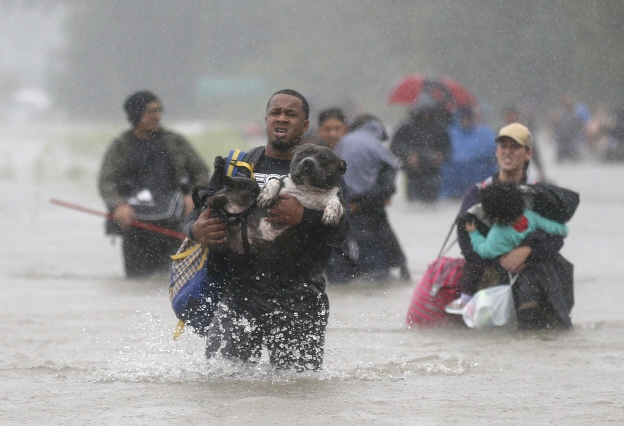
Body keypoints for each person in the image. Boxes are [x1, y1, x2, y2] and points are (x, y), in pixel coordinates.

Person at [184, 89, 349, 371]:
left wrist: (304, 216)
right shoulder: (237, 165)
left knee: (298, 389)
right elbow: (192, 218)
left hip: (300, 296)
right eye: (276, 112)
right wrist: (196, 231)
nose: (282, 119)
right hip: (238, 293)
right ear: (266, 119)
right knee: (220, 385)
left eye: (291, 114)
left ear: (306, 125)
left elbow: (343, 233)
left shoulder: (325, 170)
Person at [445, 123, 575, 329]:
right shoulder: (477, 192)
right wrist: (499, 259)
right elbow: (466, 241)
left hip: (534, 271)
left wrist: (527, 253)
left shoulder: (540, 195)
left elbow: (556, 239)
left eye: (515, 147)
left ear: (528, 153)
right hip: (489, 272)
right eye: (503, 146)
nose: (508, 152)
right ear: (496, 152)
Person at [98, 90, 209, 278]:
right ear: (136, 114)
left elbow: (201, 172)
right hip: (136, 228)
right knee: (137, 282)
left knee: (176, 278)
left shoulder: (175, 141)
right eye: (152, 111)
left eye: (159, 110)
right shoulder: (121, 146)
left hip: (174, 225)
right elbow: (107, 181)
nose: (158, 116)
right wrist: (118, 205)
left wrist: (194, 197)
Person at [326, 114, 410, 283]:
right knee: (377, 273)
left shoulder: (341, 147)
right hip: (368, 218)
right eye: (328, 129)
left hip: (341, 217)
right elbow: (388, 186)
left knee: (342, 273)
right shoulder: (379, 150)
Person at [465, 181, 568, 260]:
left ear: (491, 214)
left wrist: (473, 234)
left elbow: (485, 252)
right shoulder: (530, 217)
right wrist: (563, 229)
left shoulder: (498, 234)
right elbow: (555, 228)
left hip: (512, 277)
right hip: (536, 269)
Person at [390, 95, 451, 203]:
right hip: (413, 174)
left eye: (428, 113)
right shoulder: (407, 127)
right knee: (414, 206)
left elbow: (448, 149)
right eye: (423, 113)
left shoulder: (439, 128)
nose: (425, 117)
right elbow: (395, 146)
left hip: (433, 173)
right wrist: (408, 154)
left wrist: (440, 155)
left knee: (431, 206)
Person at [439, 107, 497, 199]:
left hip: (477, 171)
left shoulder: (484, 132)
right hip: (454, 174)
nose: (466, 121)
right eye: (463, 118)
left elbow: (492, 150)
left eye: (468, 118)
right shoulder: (450, 133)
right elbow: (444, 151)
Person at [502, 105, 547, 181]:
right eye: (508, 116)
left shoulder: (524, 133)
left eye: (513, 115)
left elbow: (533, 151)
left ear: (517, 117)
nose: (511, 118)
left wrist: (540, 170)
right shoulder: (499, 132)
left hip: (521, 172)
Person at [553, 95, 586, 163]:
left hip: (572, 143)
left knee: (575, 161)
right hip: (562, 143)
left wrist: (585, 137)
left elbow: (582, 127)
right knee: (561, 161)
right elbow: (554, 125)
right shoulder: (559, 114)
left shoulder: (575, 115)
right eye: (566, 104)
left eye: (569, 104)